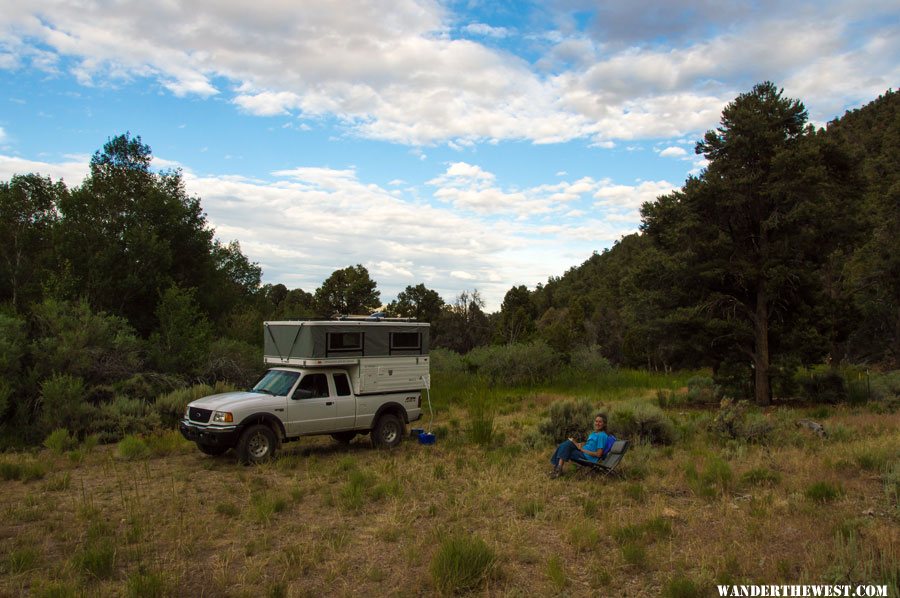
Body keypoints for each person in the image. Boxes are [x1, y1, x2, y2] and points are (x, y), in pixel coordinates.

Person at [549, 414, 609, 478]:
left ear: (604, 424)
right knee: (566, 444)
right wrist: (579, 444)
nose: (597, 423)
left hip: (588, 458)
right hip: (582, 452)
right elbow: (589, 444)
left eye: (600, 422)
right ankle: (558, 469)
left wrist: (583, 450)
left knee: (564, 447)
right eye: (596, 421)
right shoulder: (593, 433)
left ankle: (557, 470)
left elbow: (598, 454)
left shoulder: (602, 435)